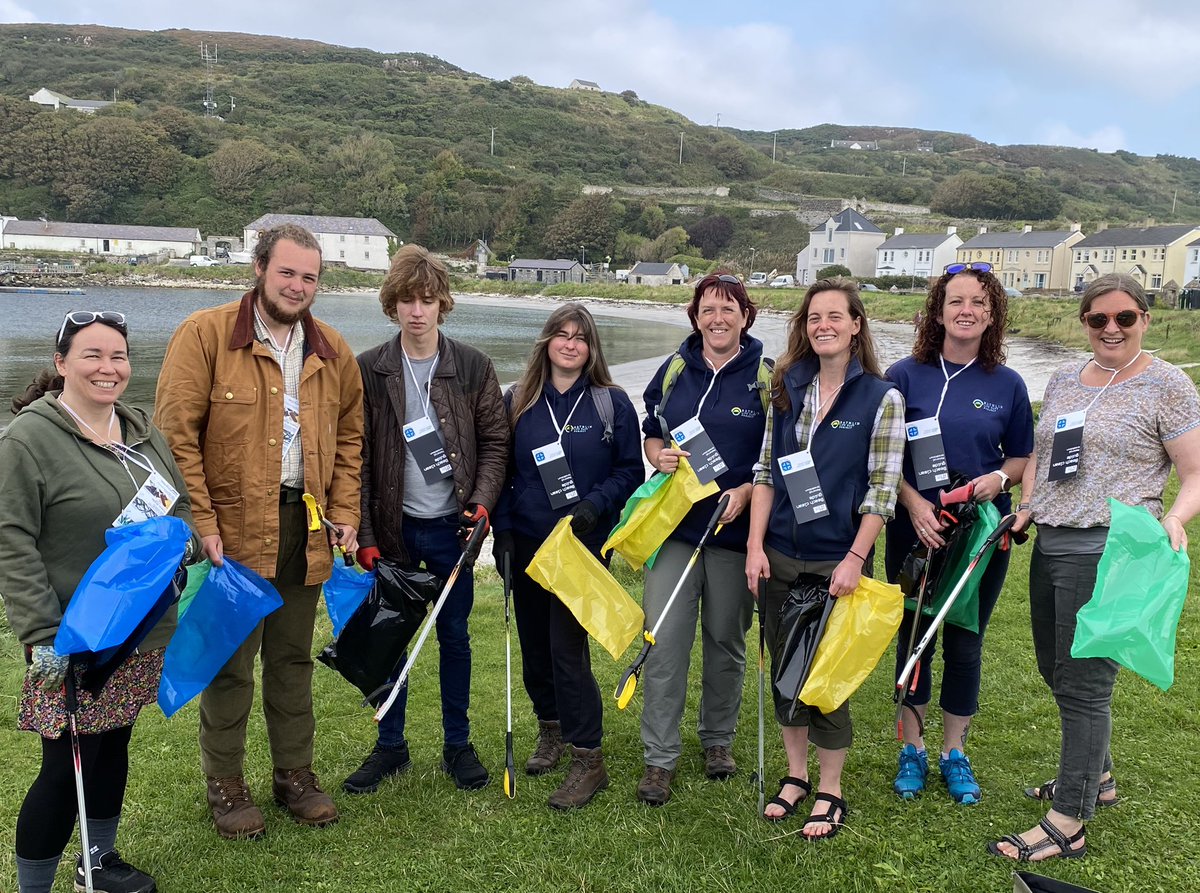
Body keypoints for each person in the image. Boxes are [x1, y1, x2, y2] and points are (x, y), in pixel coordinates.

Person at [155, 223, 364, 839]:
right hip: (233, 529)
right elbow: (174, 439)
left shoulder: (333, 350)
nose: (298, 287)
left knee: (292, 658)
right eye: (288, 273)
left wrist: (345, 511)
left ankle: (294, 776)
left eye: (310, 277)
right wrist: (200, 521)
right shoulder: (205, 335)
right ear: (259, 269)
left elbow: (351, 437)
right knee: (231, 664)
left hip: (306, 525)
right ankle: (226, 784)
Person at [990, 273, 1200, 862]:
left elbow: (1195, 473)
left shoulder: (1169, 385)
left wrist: (1177, 518)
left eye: (1124, 318)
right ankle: (1096, 777)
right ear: (1083, 322)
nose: (1112, 329)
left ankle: (1070, 818)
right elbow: (1039, 455)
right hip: (1053, 540)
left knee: (1084, 685)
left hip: (1112, 548)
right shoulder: (1063, 378)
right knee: (1054, 669)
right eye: (1098, 319)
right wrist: (1027, 506)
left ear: (1145, 320)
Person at [0, 312, 200, 893]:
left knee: (113, 744)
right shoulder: (28, 440)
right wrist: (42, 634)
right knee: (65, 768)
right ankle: (34, 886)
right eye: (91, 355)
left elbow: (179, 507)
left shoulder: (139, 429)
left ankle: (98, 861)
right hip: (73, 638)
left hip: (138, 630)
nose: (107, 368)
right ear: (61, 363)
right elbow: (10, 538)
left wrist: (176, 547)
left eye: (117, 356)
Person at [344, 244, 508, 795]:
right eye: (407, 301)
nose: (418, 311)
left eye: (428, 300)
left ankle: (457, 744)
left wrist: (482, 504)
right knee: (390, 637)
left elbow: (494, 443)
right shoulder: (369, 369)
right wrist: (365, 535)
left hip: (452, 529)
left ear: (443, 305)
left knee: (455, 637)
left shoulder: (472, 366)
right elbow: (357, 455)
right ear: (392, 306)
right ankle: (391, 745)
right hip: (392, 530)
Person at [744, 277, 905, 839]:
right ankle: (795, 776)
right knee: (788, 673)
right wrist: (754, 547)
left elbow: (882, 491)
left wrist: (857, 557)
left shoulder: (881, 397)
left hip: (838, 562)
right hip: (780, 557)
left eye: (836, 317)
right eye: (815, 318)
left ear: (856, 325)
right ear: (804, 326)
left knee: (824, 676)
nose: (825, 326)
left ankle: (831, 788)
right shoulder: (787, 386)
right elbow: (765, 472)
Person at [885, 261, 1033, 803]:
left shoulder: (1008, 383)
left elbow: (1021, 456)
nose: (966, 311)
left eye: (977, 302)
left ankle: (954, 752)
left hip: (980, 534)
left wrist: (998, 478)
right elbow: (883, 455)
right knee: (914, 640)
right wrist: (914, 505)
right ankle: (912, 749)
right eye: (955, 301)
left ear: (991, 313)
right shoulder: (904, 374)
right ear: (938, 311)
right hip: (916, 530)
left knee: (965, 642)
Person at [490, 303, 642, 809]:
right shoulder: (519, 401)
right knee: (535, 649)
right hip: (530, 546)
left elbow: (629, 473)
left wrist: (594, 506)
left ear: (591, 347)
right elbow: (505, 474)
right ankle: (550, 729)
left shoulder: (611, 404)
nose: (571, 344)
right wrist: (504, 533)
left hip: (580, 547)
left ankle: (587, 758)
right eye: (562, 334)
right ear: (547, 341)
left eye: (580, 337)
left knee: (567, 651)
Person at [634, 271, 770, 806]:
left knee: (725, 643)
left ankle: (718, 740)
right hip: (674, 531)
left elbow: (776, 455)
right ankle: (659, 758)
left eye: (729, 309)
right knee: (663, 643)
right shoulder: (673, 371)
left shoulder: (766, 376)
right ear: (695, 316)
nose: (718, 318)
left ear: (745, 317)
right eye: (709, 309)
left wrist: (743, 490)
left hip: (735, 536)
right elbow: (651, 428)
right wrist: (656, 455)